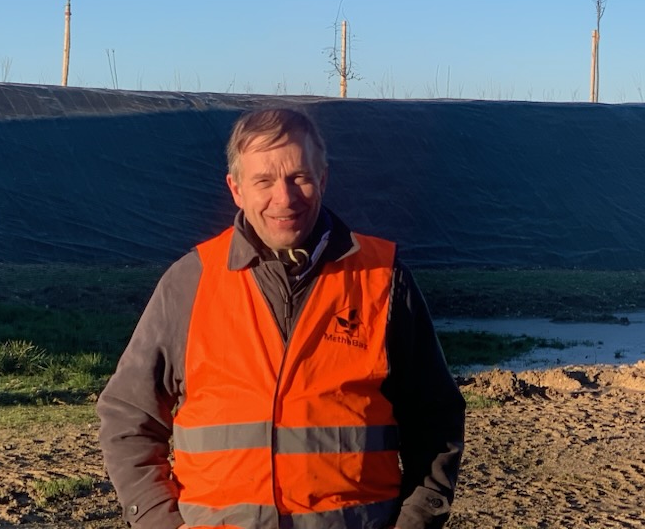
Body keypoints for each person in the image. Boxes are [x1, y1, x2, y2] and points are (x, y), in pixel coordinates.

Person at [98, 107, 465, 529]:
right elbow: (128, 415)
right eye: (264, 181)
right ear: (236, 189)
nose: (285, 199)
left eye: (299, 177)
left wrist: (417, 519)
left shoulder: (383, 279)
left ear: (323, 179)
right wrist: (156, 519)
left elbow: (435, 418)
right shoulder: (189, 283)